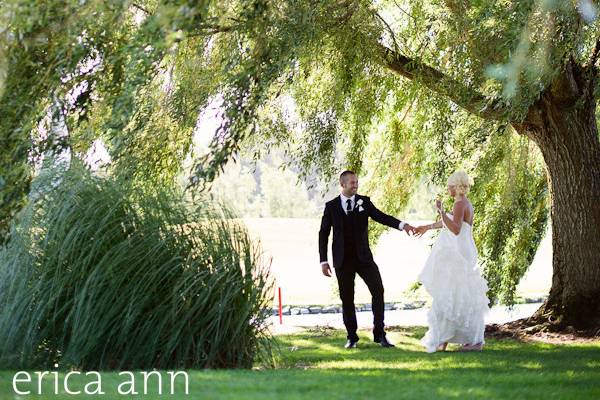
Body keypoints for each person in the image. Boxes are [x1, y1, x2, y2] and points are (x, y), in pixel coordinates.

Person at [319, 170, 415, 349]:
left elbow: (381, 217)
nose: (355, 185)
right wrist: (323, 261)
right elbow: (323, 233)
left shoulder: (365, 202)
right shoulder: (331, 206)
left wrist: (403, 225)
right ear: (343, 184)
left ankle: (380, 335)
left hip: (364, 258)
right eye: (352, 183)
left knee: (378, 290)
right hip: (342, 261)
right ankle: (352, 337)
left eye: (356, 182)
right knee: (347, 298)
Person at [415, 170, 490, 352]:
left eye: (450, 186)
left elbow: (455, 229)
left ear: (456, 187)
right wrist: (428, 226)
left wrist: (441, 211)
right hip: (463, 247)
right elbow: (448, 223)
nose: (448, 189)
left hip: (458, 250)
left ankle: (452, 338)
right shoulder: (463, 202)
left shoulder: (460, 204)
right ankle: (454, 338)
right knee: (457, 292)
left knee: (451, 291)